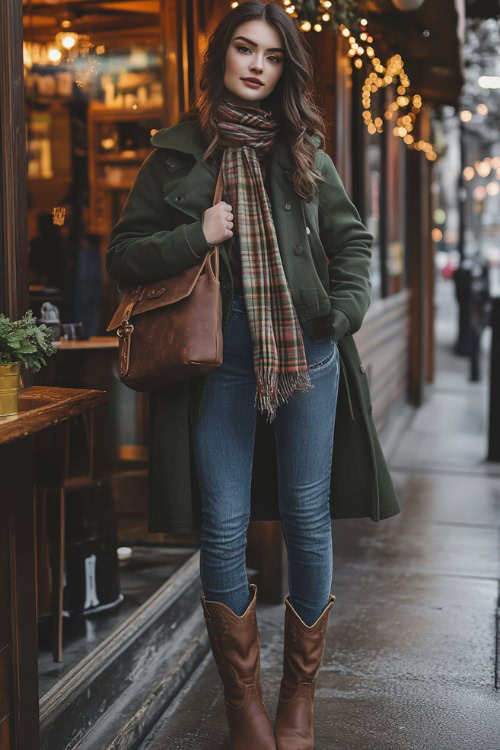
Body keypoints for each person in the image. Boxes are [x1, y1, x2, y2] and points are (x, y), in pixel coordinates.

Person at [106, 3, 400, 748]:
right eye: (245, 50)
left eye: (272, 57)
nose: (257, 67)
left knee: (306, 518)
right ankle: (245, 708)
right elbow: (123, 257)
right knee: (225, 524)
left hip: (310, 353)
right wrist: (194, 233)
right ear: (221, 56)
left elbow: (354, 241)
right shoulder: (176, 158)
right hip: (218, 361)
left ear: (283, 70)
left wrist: (342, 310)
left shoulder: (304, 150)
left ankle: (298, 700)